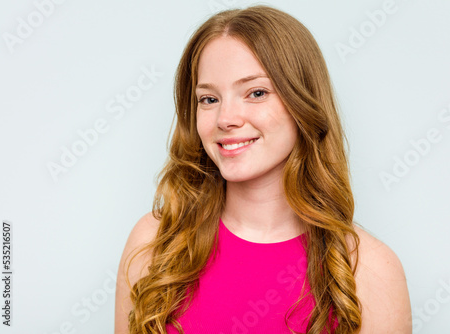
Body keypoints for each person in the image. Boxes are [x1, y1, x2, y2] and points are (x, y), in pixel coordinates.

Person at [115, 5, 411, 334]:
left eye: (256, 93)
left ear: (303, 103)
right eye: (209, 99)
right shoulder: (155, 243)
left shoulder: (370, 269)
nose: (226, 118)